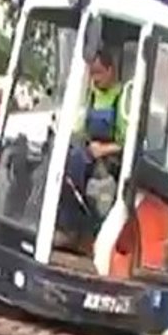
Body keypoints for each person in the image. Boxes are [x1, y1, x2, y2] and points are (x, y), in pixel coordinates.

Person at [57, 46, 126, 242]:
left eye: (99, 73)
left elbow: (128, 142)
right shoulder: (92, 95)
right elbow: (81, 127)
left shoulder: (121, 97)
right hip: (90, 151)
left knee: (75, 163)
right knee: (63, 158)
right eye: (92, 74)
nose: (95, 79)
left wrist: (102, 150)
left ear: (110, 70)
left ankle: (72, 228)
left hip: (111, 157)